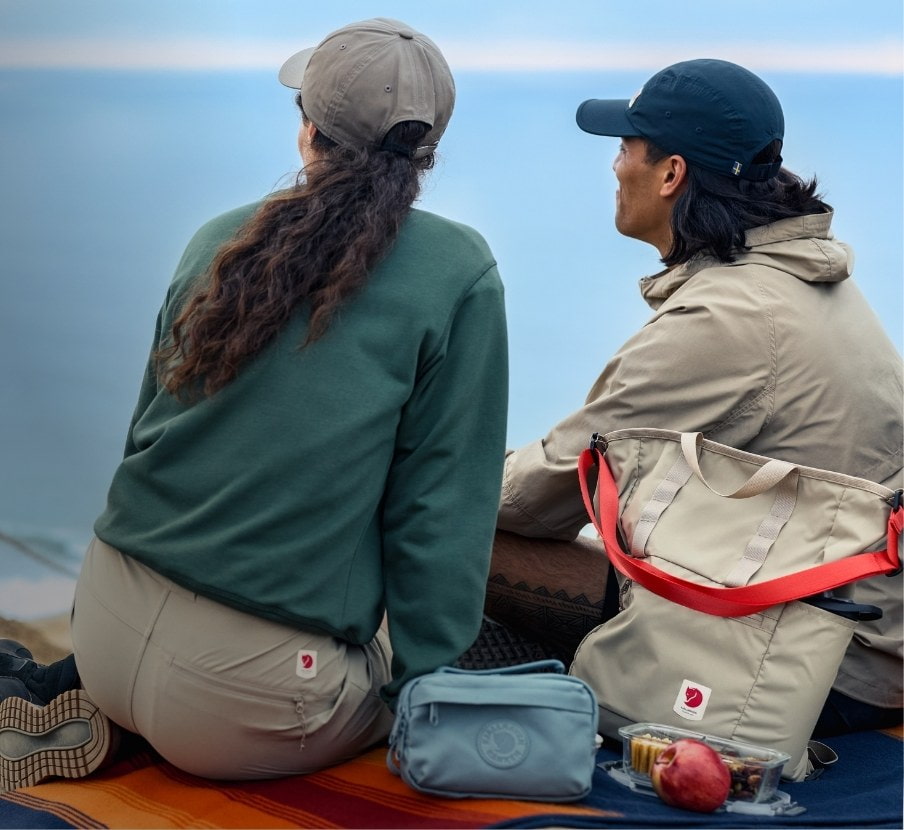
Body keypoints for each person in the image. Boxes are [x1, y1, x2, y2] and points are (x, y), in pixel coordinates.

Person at [0, 17, 508, 789]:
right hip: (252, 705)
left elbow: (147, 432)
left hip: (102, 623)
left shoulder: (219, 239)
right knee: (392, 668)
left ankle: (116, 716)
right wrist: (428, 691)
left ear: (309, 132)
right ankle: (187, 720)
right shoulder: (457, 270)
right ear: (425, 153)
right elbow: (440, 506)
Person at [490, 58, 903, 736]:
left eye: (627, 146)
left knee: (438, 525)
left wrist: (427, 479)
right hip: (863, 632)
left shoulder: (727, 320)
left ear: (671, 173)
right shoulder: (804, 282)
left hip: (814, 667)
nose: (616, 164)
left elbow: (539, 500)